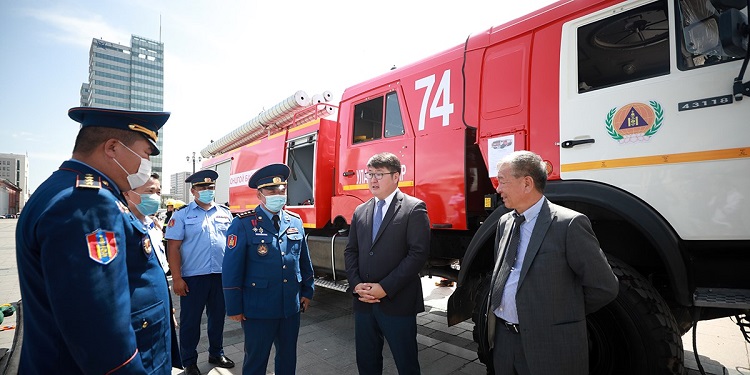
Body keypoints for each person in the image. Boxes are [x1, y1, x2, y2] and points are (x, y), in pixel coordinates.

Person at [15, 107, 172, 373]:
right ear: (112, 148)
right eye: (145, 153)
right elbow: (98, 325)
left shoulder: (65, 188)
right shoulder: (88, 202)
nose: (147, 165)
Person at [486, 150, 619, 374]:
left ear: (527, 183)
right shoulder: (504, 223)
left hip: (549, 346)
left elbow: (604, 286)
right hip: (504, 344)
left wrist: (557, 313)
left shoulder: (569, 225)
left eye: (502, 181)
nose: (498, 189)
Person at [222, 163, 315, 375]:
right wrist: (234, 307)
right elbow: (231, 268)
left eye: (282, 190)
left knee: (288, 357)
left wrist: (307, 291)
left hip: (289, 307)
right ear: (259, 195)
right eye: (271, 190)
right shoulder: (243, 224)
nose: (278, 194)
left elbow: (303, 260)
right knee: (256, 360)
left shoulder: (295, 221)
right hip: (258, 309)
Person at [344, 152, 430, 375]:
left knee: (406, 363)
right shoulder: (360, 211)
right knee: (367, 362)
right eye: (370, 174)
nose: (372, 180)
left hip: (397, 302)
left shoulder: (414, 208)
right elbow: (351, 251)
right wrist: (356, 284)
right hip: (364, 303)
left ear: (396, 176)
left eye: (379, 174)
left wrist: (385, 288)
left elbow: (417, 255)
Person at [165, 169, 235, 375]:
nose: (207, 190)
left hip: (221, 276)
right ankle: (189, 361)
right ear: (193, 190)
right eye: (202, 187)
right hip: (193, 278)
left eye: (210, 187)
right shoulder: (182, 215)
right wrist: (176, 278)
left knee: (218, 318)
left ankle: (216, 353)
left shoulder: (225, 213)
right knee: (190, 322)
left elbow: (232, 245)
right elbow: (173, 248)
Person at [123, 172, 183, 370]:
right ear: (128, 194)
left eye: (158, 192)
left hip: (159, 313)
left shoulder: (154, 226)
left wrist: (169, 309)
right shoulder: (121, 228)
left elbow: (158, 271)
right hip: (138, 322)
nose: (155, 197)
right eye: (149, 191)